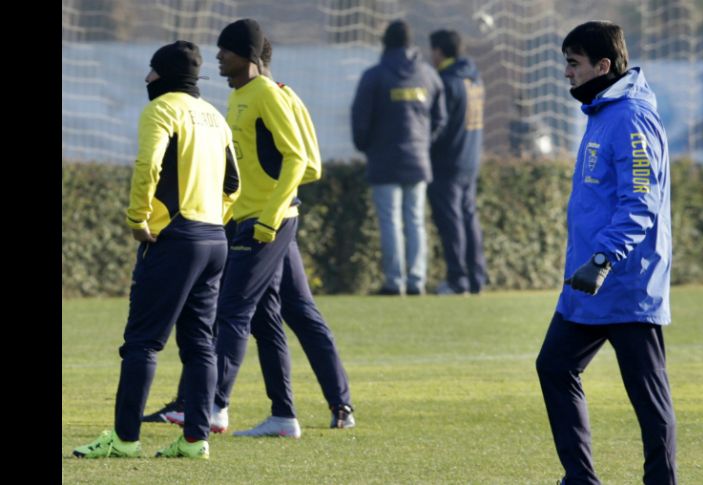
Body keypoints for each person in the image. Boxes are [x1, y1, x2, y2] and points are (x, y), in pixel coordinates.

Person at [148, 35, 355, 437]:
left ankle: (213, 405)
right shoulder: (240, 96)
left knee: (231, 309)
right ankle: (289, 414)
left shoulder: (271, 95)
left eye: (225, 50)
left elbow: (305, 162)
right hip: (250, 218)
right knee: (280, 316)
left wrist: (272, 212)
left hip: (264, 223)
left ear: (248, 55)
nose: (218, 57)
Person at [73, 40, 240, 459]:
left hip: (174, 239)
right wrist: (214, 220)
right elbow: (233, 183)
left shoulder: (161, 109)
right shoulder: (215, 116)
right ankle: (195, 439)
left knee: (142, 343)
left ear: (163, 75)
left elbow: (148, 165)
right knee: (200, 344)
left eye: (151, 70)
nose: (146, 78)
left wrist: (138, 219)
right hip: (213, 239)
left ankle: (125, 439)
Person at [534, 21, 676, 484]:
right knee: (554, 366)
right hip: (589, 284)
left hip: (625, 282)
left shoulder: (632, 116)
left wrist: (604, 258)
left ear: (603, 65)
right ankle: (580, 479)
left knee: (648, 397)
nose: (566, 74)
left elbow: (641, 202)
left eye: (573, 64)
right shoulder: (603, 112)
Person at [351, 19, 447, 296]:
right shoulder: (428, 75)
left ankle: (395, 282)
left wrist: (366, 147)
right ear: (410, 43)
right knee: (416, 220)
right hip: (418, 161)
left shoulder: (374, 76)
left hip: (383, 161)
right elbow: (441, 118)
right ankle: (417, 280)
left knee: (391, 221)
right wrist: (424, 142)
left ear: (385, 43)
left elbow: (360, 119)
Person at [427, 29, 487, 296]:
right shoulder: (474, 78)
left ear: (439, 51)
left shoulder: (446, 81)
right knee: (468, 219)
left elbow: (438, 125)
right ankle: (476, 277)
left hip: (447, 160)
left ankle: (457, 279)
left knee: (451, 222)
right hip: (469, 158)